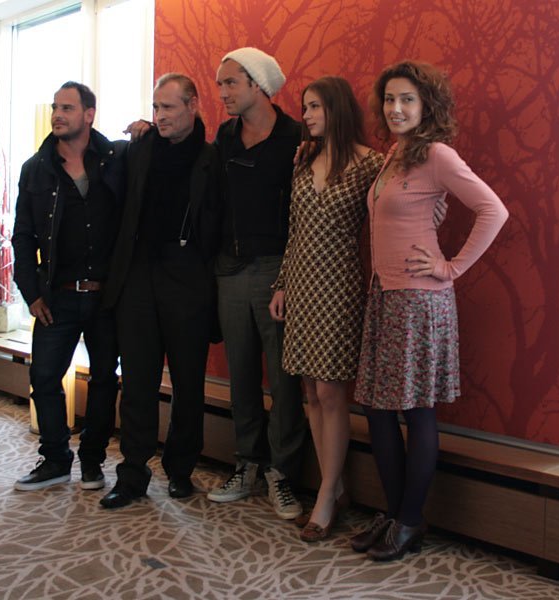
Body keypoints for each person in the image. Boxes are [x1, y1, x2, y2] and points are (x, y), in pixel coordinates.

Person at [349, 61, 508, 561]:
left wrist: (450, 267)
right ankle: (394, 514)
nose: (396, 108)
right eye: (389, 99)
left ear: (426, 106)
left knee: (416, 410)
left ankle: (410, 520)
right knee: (377, 409)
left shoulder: (437, 154)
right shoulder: (395, 155)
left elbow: (494, 210)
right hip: (384, 295)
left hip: (419, 300)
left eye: (407, 100)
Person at [99, 73, 221, 509]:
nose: (160, 115)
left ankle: (181, 470)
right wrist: (141, 129)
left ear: (193, 105)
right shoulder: (139, 149)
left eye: (168, 107)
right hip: (138, 275)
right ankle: (132, 473)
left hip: (188, 277)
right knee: (137, 380)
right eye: (155, 107)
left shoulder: (212, 158)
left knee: (188, 382)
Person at [268, 77, 383, 541]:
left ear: (336, 109)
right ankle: (333, 487)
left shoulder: (370, 163)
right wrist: (281, 284)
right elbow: (294, 230)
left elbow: (394, 215)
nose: (307, 115)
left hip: (339, 287)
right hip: (300, 286)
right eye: (305, 107)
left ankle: (326, 495)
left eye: (315, 106)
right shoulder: (303, 161)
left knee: (332, 392)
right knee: (310, 394)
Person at [206, 48, 307, 520]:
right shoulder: (225, 137)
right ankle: (247, 463)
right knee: (241, 372)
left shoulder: (296, 137)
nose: (222, 93)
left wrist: (290, 274)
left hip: (277, 271)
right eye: (220, 84)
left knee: (284, 378)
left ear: (258, 85)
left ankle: (282, 473)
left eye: (230, 82)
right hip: (229, 268)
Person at [11, 81, 125, 492]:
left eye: (68, 108)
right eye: (55, 107)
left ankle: (92, 461)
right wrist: (31, 293)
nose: (58, 115)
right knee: (44, 378)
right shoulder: (36, 168)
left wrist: (145, 128)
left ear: (89, 114)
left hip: (107, 296)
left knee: (104, 380)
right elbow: (23, 236)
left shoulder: (115, 159)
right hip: (56, 296)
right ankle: (56, 459)